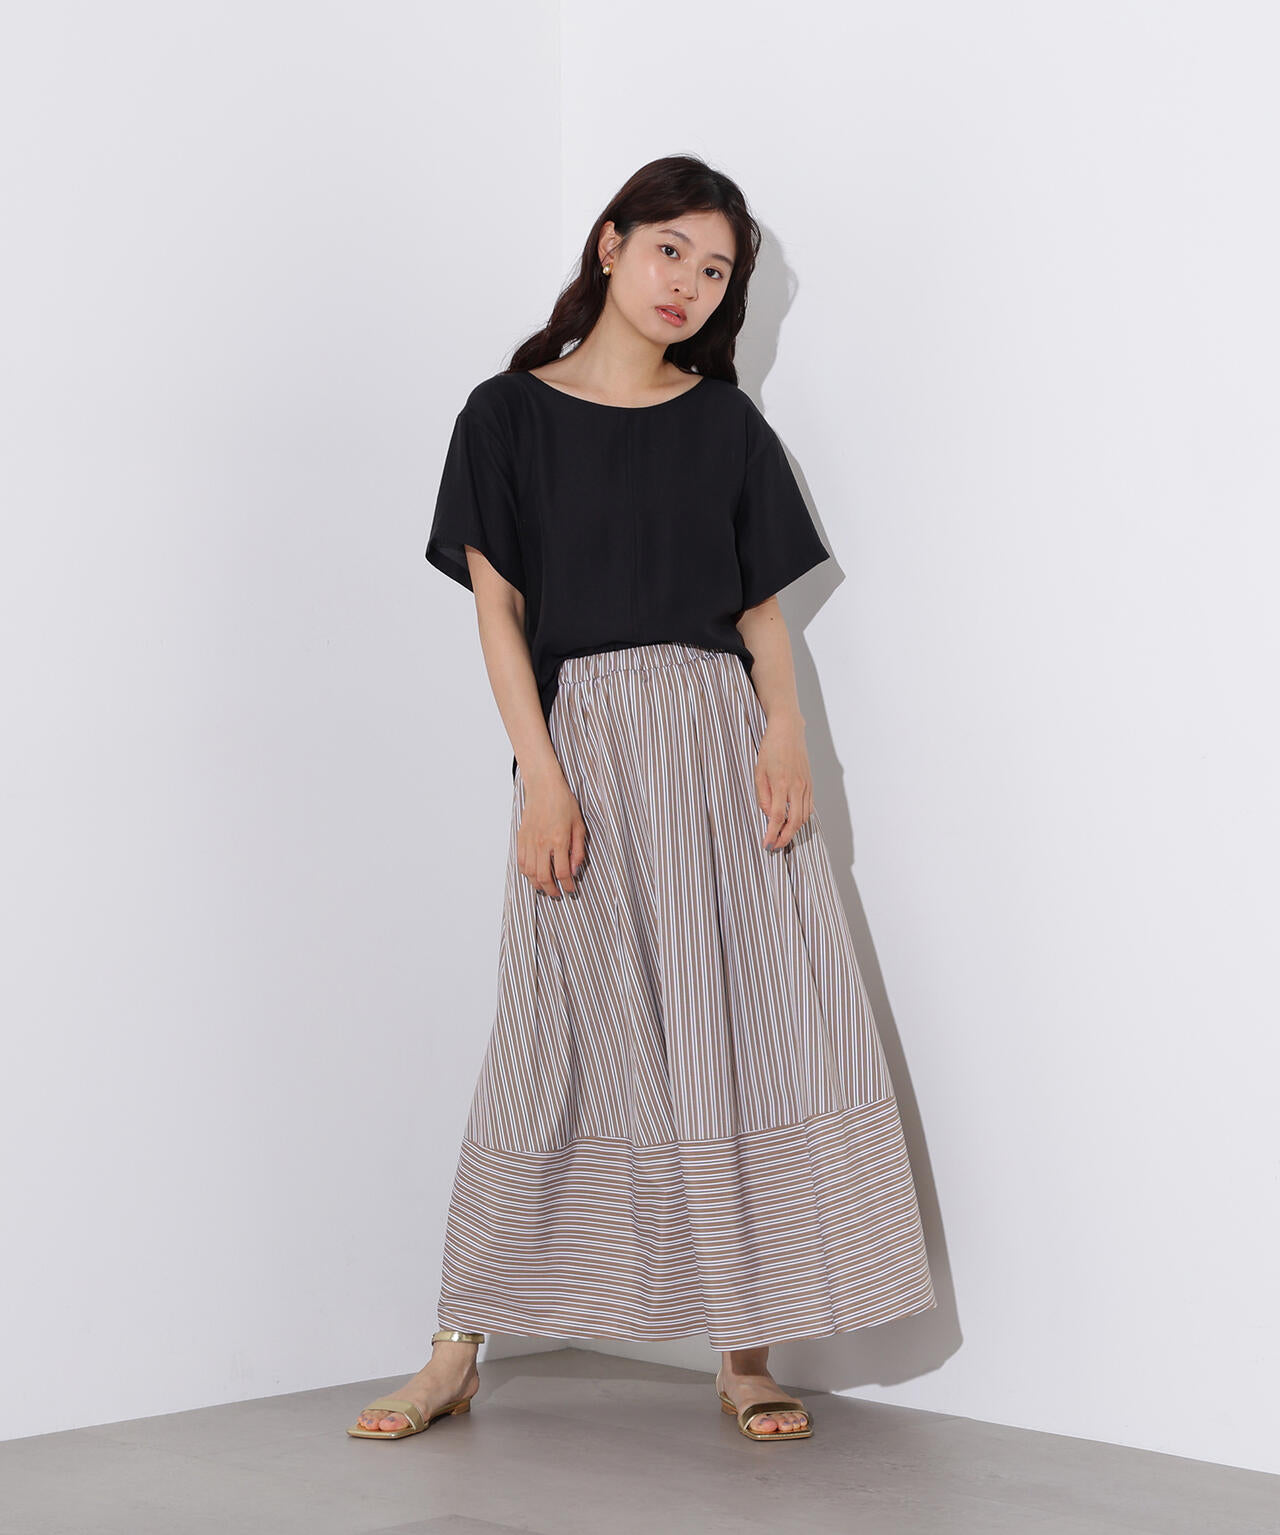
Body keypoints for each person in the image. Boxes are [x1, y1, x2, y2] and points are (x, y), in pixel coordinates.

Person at [348, 155, 936, 1446]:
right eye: (673, 250)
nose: (690, 284)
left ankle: (745, 1352)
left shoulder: (723, 424)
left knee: (750, 1028)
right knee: (545, 1046)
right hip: (588, 752)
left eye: (717, 271)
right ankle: (455, 1349)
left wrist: (786, 735)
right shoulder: (505, 415)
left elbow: (761, 611)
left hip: (724, 751)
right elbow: (499, 616)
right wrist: (541, 780)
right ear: (610, 244)